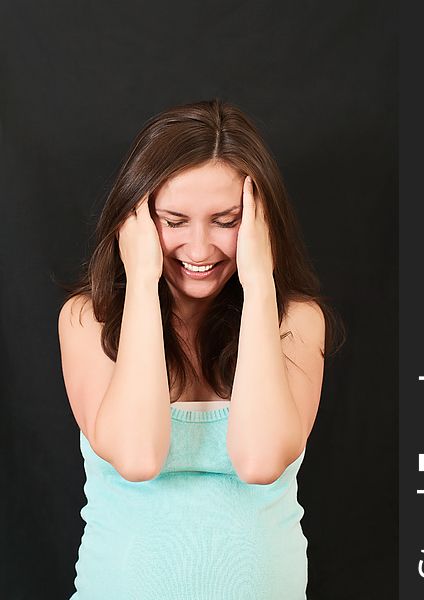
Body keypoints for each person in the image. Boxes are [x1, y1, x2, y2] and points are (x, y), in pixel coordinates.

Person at [57, 98, 346, 599]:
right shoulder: (89, 320)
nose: (199, 249)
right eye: (174, 221)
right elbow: (137, 456)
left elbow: (259, 462)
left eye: (226, 220)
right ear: (136, 222)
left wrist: (259, 283)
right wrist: (143, 281)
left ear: (261, 222)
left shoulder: (297, 323)